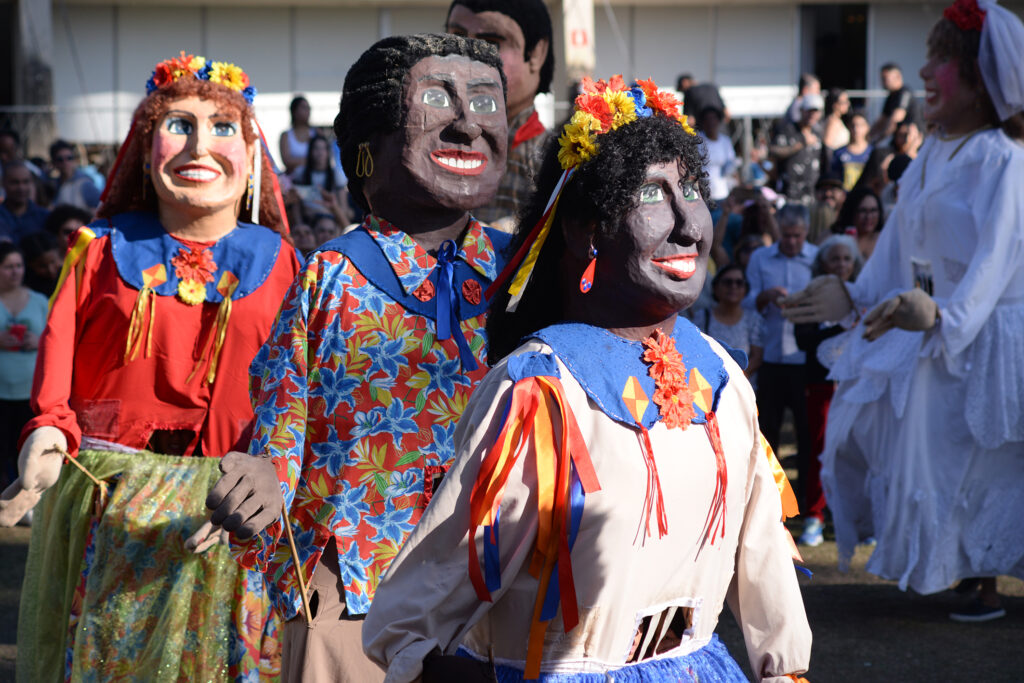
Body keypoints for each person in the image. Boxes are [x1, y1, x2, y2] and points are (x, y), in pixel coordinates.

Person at [362, 75, 811, 683]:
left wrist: (781, 667)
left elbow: (761, 554)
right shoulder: (540, 392)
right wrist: (428, 667)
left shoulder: (720, 373)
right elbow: (435, 580)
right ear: (584, 230)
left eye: (692, 189)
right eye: (651, 195)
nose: (689, 224)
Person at [201, 34, 510, 682]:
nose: (467, 122)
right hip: (358, 582)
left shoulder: (521, 271)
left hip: (495, 581)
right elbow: (283, 414)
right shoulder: (331, 276)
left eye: (486, 101)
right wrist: (265, 474)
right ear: (368, 148)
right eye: (436, 98)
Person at [1, 53, 302, 681]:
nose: (200, 145)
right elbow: (56, 368)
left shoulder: (282, 264)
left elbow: (294, 392)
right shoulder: (100, 250)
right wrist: (48, 434)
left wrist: (267, 474)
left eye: (223, 127)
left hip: (229, 508)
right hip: (113, 507)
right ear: (145, 147)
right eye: (180, 124)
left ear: (251, 156)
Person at [784, 0, 1024, 622]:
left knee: (989, 458)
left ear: (980, 76)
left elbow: (996, 258)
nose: (924, 73)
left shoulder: (1005, 159)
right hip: (933, 327)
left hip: (985, 332)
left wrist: (947, 315)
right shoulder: (931, 158)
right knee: (932, 453)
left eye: (941, 59)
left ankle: (988, 578)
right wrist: (854, 295)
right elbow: (895, 249)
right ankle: (961, 568)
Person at [446, 0, 554, 229]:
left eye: (491, 44)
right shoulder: (435, 139)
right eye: (457, 38)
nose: (469, 57)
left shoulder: (553, 157)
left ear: (536, 53)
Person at [744, 204, 816, 517]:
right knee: (769, 433)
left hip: (805, 360)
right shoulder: (762, 258)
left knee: (807, 435)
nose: (791, 242)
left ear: (806, 234)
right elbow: (746, 300)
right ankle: (769, 504)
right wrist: (765, 296)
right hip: (770, 357)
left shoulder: (816, 258)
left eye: (797, 236)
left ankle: (808, 506)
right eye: (786, 236)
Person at [793, 234, 862, 547]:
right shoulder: (810, 296)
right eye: (835, 259)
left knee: (858, 449)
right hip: (820, 384)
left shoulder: (863, 296)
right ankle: (814, 517)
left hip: (856, 385)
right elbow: (804, 341)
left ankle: (857, 518)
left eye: (847, 259)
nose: (842, 265)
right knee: (820, 448)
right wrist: (841, 329)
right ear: (823, 263)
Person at [0, 243, 47, 489]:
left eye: (18, 265)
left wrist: (38, 341)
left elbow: (56, 339)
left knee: (27, 451)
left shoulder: (39, 301)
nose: (15, 271)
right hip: (1, 392)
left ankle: (25, 502)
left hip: (30, 392)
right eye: (8, 267)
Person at [698, 264, 765, 381]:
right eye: (727, 282)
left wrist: (736, 379)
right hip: (709, 383)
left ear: (745, 289)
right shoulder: (703, 317)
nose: (733, 287)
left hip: (743, 384)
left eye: (739, 283)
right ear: (715, 287)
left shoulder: (753, 319)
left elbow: (757, 356)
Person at [771, 94, 823, 206]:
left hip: (811, 193)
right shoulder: (788, 130)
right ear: (801, 111)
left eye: (816, 111)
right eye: (809, 111)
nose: (812, 115)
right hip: (789, 192)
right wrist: (799, 145)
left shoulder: (818, 133)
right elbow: (774, 151)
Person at [290, 135, 351, 225]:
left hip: (331, 220)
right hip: (307, 222)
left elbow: (344, 207)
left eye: (323, 149)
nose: (320, 153)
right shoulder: (300, 173)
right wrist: (300, 225)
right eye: (316, 148)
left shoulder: (337, 175)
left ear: (328, 152)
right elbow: (295, 203)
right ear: (310, 152)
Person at [869, 62, 923, 143]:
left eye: (885, 79)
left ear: (898, 77)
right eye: (882, 79)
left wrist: (878, 140)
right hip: (899, 142)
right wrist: (867, 137)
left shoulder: (904, 93)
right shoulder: (891, 96)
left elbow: (895, 120)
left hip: (913, 142)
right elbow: (881, 121)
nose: (882, 82)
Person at [0, 161, 49, 243]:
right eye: (15, 182)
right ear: (4, 183)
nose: (21, 188)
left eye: (25, 182)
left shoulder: (44, 217)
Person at [830, 186, 883, 259]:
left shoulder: (884, 239)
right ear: (851, 212)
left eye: (873, 210)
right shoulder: (834, 237)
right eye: (863, 211)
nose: (868, 217)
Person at [698, 106, 737, 203]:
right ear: (703, 122)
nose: (711, 122)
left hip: (722, 193)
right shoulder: (697, 141)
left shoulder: (725, 141)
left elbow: (731, 164)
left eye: (713, 119)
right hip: (702, 194)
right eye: (707, 119)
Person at [49, 139, 101, 211]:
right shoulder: (53, 185)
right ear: (54, 163)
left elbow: (99, 209)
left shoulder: (85, 183)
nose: (65, 162)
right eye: (60, 159)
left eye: (69, 158)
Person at [830, 110, 873, 191]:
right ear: (848, 127)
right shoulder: (839, 153)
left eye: (860, 125)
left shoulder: (873, 153)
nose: (856, 129)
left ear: (867, 127)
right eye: (853, 125)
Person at [18, 231, 61, 296]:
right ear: (30, 265)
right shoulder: (25, 288)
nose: (50, 270)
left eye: (53, 262)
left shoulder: (71, 276)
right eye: (42, 266)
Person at [280, 95, 315, 174]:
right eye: (303, 108)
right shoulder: (286, 136)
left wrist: (296, 161)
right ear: (294, 111)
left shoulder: (316, 133)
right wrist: (310, 160)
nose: (308, 111)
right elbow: (286, 161)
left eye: (308, 108)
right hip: (293, 182)